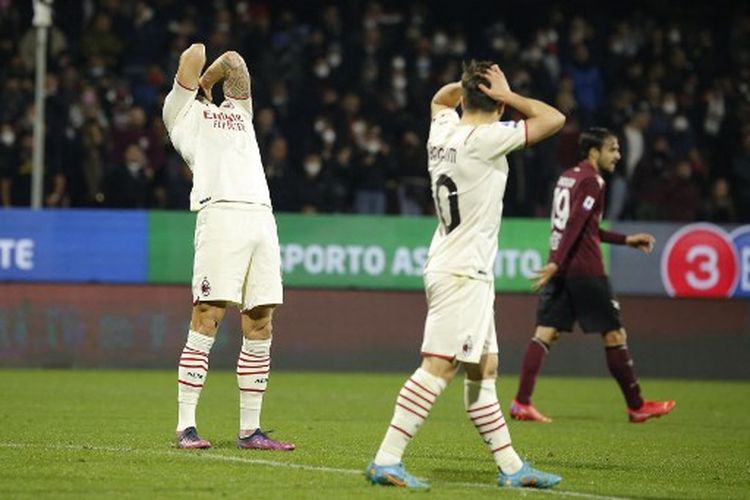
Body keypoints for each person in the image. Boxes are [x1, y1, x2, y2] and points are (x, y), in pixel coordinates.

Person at [365, 61, 566, 490]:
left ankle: (512, 467)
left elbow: (440, 99)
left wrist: (471, 87)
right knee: (440, 365)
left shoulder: (443, 129)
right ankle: (386, 459)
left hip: (452, 261)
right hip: (463, 272)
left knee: (485, 367)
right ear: (494, 101)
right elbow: (554, 119)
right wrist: (507, 95)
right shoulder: (486, 139)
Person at [162, 43, 294, 451]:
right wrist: (197, 85)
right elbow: (196, 52)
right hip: (220, 213)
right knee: (208, 317)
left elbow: (235, 62)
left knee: (261, 322)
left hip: (261, 214)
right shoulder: (180, 113)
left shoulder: (238, 112)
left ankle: (250, 431)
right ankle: (186, 426)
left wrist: (211, 84)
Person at [510, 127, 676, 424]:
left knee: (545, 333)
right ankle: (637, 406)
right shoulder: (593, 180)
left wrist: (625, 240)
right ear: (593, 151)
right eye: (612, 149)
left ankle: (522, 402)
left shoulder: (567, 177)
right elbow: (575, 223)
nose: (618, 156)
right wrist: (557, 263)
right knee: (614, 334)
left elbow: (584, 227)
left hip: (562, 268)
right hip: (584, 270)